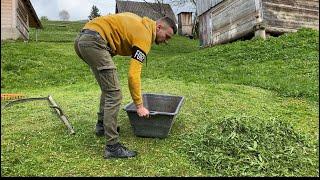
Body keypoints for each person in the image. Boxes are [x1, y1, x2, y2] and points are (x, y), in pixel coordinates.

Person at [74, 12, 177, 159]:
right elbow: (133, 75)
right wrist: (139, 106)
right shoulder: (145, 35)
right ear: (159, 27)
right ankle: (112, 147)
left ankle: (102, 125)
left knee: (108, 88)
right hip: (95, 41)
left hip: (82, 40)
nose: (166, 41)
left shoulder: (140, 23)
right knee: (114, 94)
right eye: (167, 36)